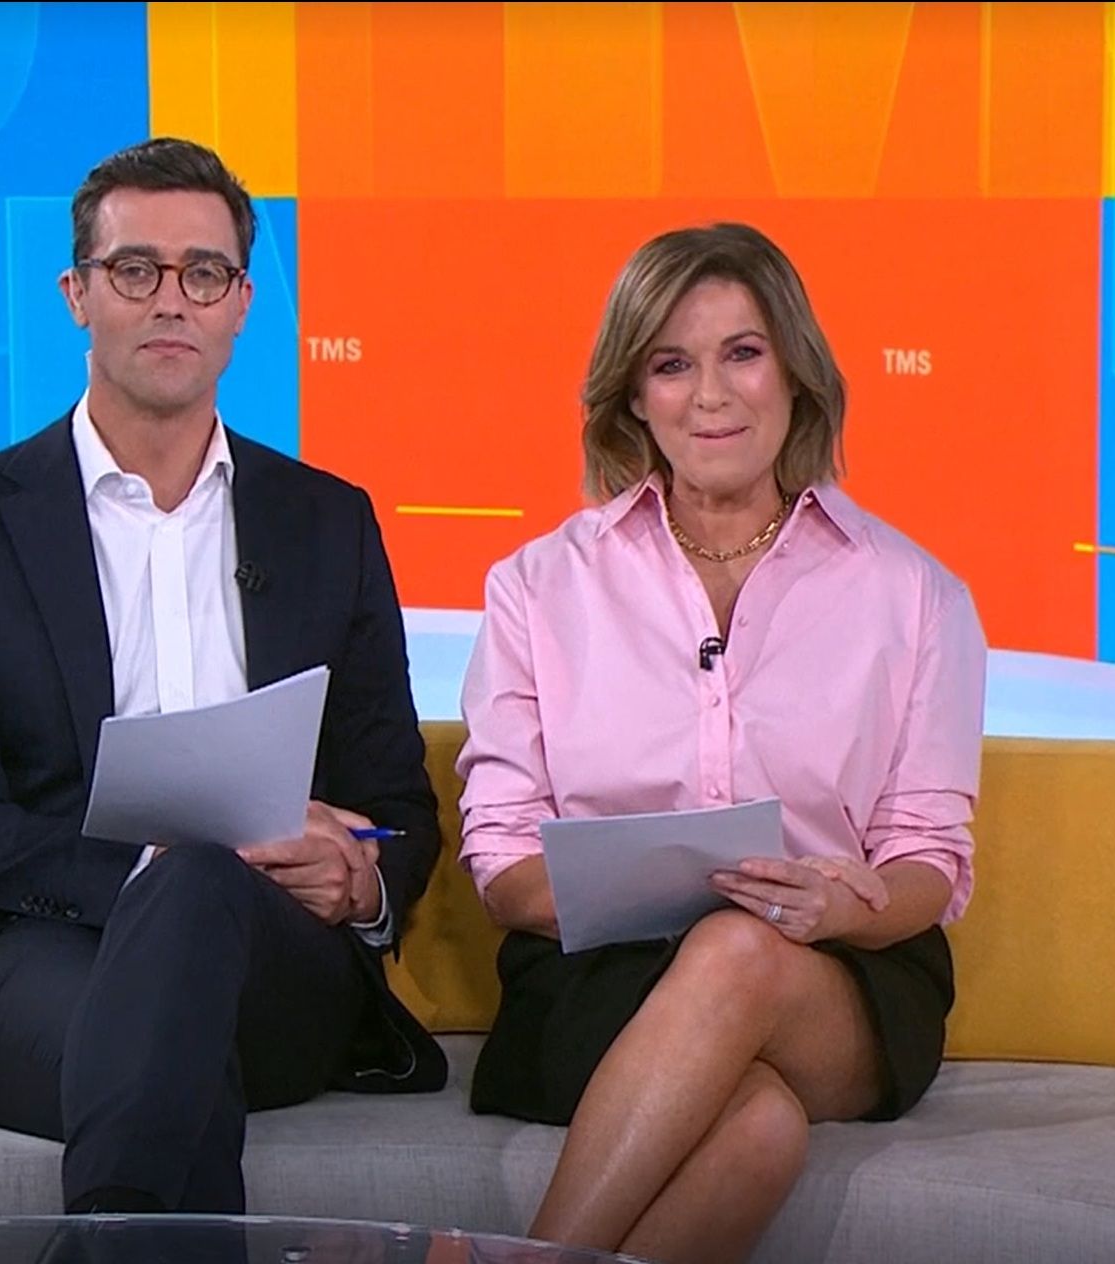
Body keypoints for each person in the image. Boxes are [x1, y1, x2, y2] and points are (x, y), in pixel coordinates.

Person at [0, 137, 447, 1216]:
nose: (171, 300)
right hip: (19, 953)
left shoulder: (326, 523)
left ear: (242, 303)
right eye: (134, 270)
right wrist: (155, 867)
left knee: (197, 915)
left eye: (203, 273)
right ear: (77, 295)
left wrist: (360, 882)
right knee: (172, 985)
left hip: (269, 962)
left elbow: (396, 807)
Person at [455, 223, 987, 1264]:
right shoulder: (539, 586)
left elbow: (929, 860)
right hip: (597, 977)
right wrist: (645, 888)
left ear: (794, 371)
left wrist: (844, 905)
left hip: (836, 976)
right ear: (632, 397)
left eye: (742, 353)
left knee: (738, 949)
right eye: (670, 364)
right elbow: (503, 866)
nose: (710, 395)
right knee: (757, 1131)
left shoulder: (913, 593)